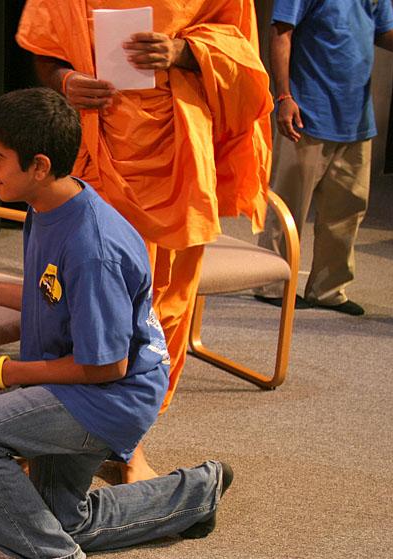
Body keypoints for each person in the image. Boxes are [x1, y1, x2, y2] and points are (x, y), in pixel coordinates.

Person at [0, 87, 233, 559]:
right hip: (80, 378)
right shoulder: (48, 205)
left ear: (39, 166)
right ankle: (195, 494)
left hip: (109, 396)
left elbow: (107, 365)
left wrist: (7, 373)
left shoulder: (93, 247)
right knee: (61, 520)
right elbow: (53, 293)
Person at [16, 1, 273, 482]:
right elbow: (45, 47)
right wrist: (66, 82)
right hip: (90, 145)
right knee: (68, 298)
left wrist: (182, 51)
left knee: (162, 308)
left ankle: (128, 443)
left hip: (176, 156)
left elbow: (242, 56)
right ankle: (46, 435)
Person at [255, 0, 393, 316]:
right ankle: (272, 284)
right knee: (288, 207)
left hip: (356, 118)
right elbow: (280, 33)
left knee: (347, 208)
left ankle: (328, 289)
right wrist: (284, 96)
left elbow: (384, 31)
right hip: (307, 112)